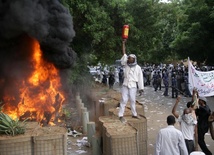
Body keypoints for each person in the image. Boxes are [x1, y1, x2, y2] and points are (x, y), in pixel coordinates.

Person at [118, 40, 144, 123]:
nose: (129, 59)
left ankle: (134, 114)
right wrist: (123, 44)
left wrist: (141, 88)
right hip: (125, 84)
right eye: (129, 58)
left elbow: (140, 79)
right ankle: (120, 115)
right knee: (124, 100)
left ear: (134, 59)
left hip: (133, 85)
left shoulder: (138, 68)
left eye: (131, 59)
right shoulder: (126, 64)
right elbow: (124, 54)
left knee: (133, 100)